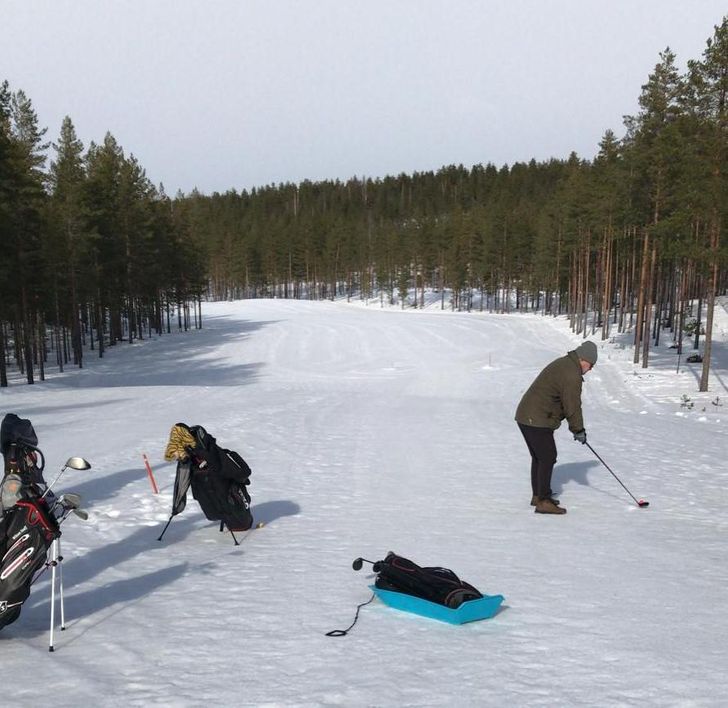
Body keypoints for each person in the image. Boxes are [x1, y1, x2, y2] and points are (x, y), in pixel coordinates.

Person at [514, 341, 598, 515]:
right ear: (584, 359)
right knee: (547, 456)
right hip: (536, 418)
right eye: (590, 365)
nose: (590, 370)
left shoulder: (566, 363)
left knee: (540, 457)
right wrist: (578, 430)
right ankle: (543, 501)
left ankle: (539, 496)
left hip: (528, 415)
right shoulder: (571, 374)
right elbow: (572, 406)